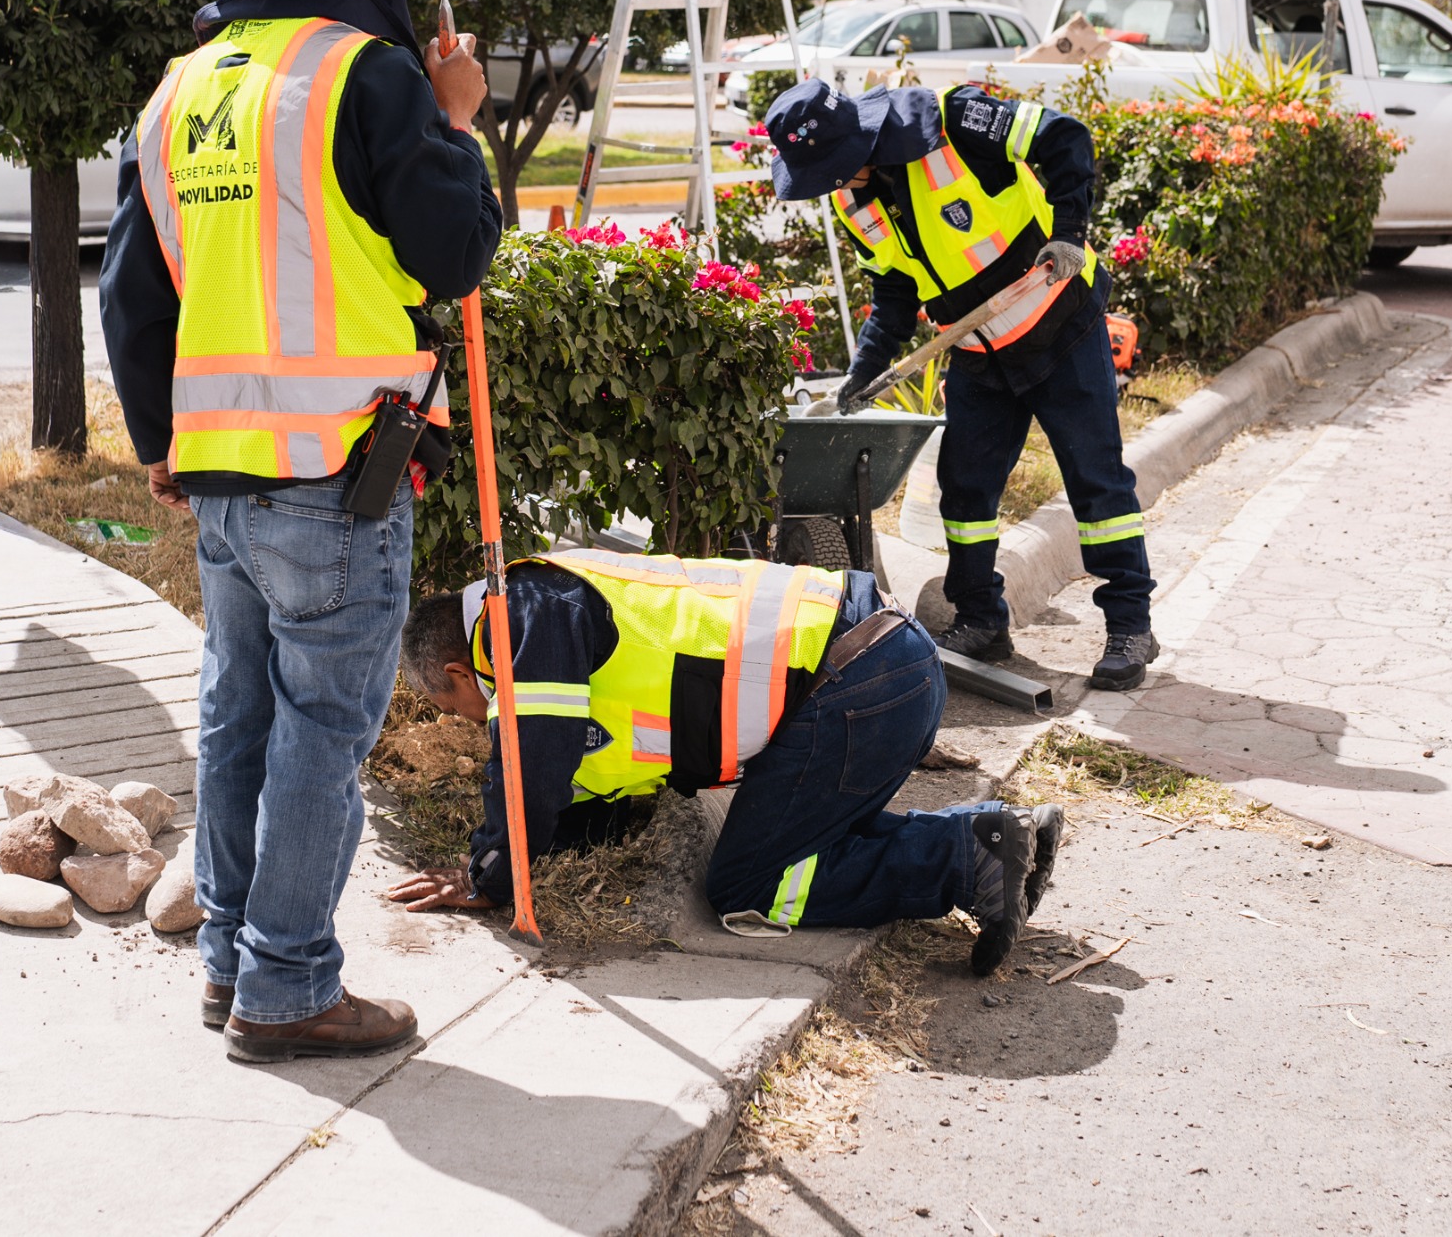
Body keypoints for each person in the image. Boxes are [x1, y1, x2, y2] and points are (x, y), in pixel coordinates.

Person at [100, 0, 501, 1063]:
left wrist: (159, 442)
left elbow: (129, 290)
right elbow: (455, 254)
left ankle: (232, 963)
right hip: (338, 467)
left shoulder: (178, 93)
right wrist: (457, 121)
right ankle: (285, 988)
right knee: (320, 737)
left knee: (237, 718)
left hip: (221, 471)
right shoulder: (365, 76)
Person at [384, 550, 1061, 976]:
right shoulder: (551, 607)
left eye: (455, 708)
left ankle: (960, 859)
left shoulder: (523, 617)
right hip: (878, 671)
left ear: (457, 671)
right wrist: (524, 850)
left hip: (860, 683)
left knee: (751, 886)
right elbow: (573, 796)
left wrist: (488, 874)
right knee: (796, 846)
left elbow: (530, 762)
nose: (472, 722)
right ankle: (993, 838)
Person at [763, 80, 1157, 690]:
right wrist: (867, 368)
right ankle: (981, 620)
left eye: (831, 171)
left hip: (1061, 328)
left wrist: (1069, 232)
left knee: (1096, 481)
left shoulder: (953, 121)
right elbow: (895, 292)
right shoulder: (854, 203)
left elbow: (1065, 138)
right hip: (979, 352)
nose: (830, 185)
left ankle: (1130, 626)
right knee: (965, 491)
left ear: (857, 143)